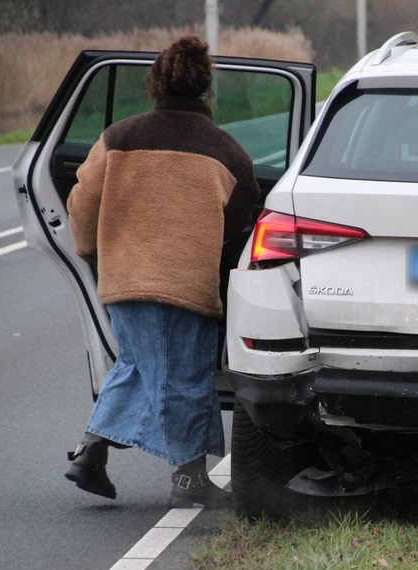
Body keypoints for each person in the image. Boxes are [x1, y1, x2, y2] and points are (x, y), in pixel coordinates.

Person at [63, 35, 260, 508]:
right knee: (186, 378)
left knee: (134, 365)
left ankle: (90, 453)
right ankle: (189, 480)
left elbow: (83, 205)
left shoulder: (118, 138)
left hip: (124, 282)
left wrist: (93, 253)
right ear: (205, 89)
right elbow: (241, 223)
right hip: (184, 286)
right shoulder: (227, 152)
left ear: (155, 84)